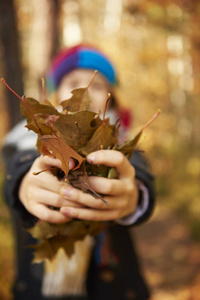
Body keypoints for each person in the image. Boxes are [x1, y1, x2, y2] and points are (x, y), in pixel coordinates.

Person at [2, 44, 155, 300]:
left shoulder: (119, 143)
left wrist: (135, 193)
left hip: (115, 288)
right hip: (37, 289)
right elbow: (20, 165)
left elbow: (137, 171)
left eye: (96, 85)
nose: (85, 92)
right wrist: (24, 184)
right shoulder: (28, 142)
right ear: (55, 95)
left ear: (111, 97)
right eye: (74, 82)